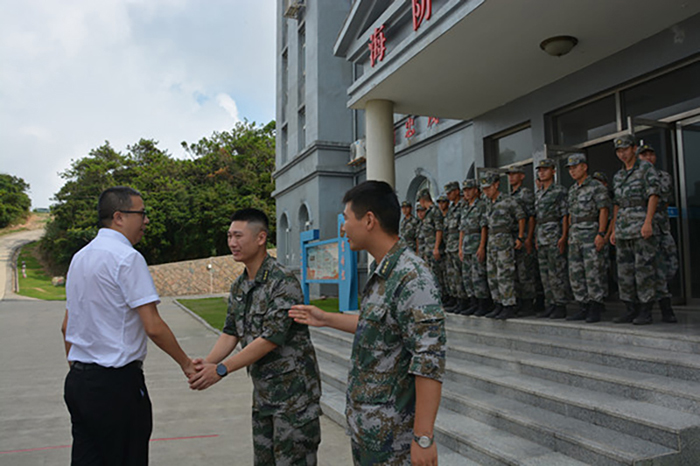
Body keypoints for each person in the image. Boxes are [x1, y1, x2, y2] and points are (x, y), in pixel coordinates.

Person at [289, 180, 446, 466]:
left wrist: (423, 437)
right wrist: (325, 319)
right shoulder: (383, 270)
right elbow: (378, 326)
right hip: (370, 432)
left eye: (347, 219)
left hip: (394, 439)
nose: (343, 228)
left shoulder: (412, 277)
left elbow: (429, 360)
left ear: (369, 220)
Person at [61, 186, 195, 466]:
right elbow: (153, 326)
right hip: (116, 385)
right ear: (119, 217)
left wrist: (82, 369)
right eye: (142, 214)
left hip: (80, 383)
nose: (146, 221)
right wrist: (186, 363)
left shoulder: (80, 258)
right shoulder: (127, 258)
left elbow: (66, 326)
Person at [188, 208, 322, 465]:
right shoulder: (240, 285)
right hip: (264, 396)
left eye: (238, 236)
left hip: (294, 398)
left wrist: (221, 369)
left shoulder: (283, 281)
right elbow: (231, 331)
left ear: (261, 238)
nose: (232, 243)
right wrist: (207, 364)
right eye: (229, 236)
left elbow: (271, 338)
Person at [609, 134, 661, 325]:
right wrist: (614, 229)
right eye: (619, 151)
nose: (622, 154)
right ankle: (630, 309)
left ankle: (646, 311)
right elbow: (616, 204)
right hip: (623, 228)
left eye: (625, 149)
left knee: (643, 270)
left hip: (640, 227)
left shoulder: (645, 168)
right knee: (624, 271)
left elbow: (653, 195)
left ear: (633, 149)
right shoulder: (619, 175)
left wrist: (648, 222)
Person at [566, 154, 611, 323]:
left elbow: (604, 211)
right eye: (570, 168)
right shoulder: (572, 190)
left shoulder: (596, 187)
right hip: (576, 235)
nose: (572, 171)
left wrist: (601, 233)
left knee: (593, 272)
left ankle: (595, 306)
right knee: (576, 273)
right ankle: (583, 305)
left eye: (575, 167)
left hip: (591, 233)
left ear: (584, 167)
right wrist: (570, 234)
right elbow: (571, 215)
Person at [636, 144, 678, 323]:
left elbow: (660, 197)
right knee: (646, 269)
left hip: (660, 227)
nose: (648, 157)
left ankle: (665, 305)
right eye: (644, 155)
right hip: (642, 229)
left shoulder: (663, 176)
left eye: (651, 154)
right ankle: (650, 308)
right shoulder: (633, 177)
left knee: (667, 267)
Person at [481, 173, 527, 320]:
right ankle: (498, 303)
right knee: (492, 274)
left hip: (504, 241)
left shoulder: (508, 200)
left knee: (505, 274)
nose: (486, 191)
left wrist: (520, 237)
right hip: (492, 241)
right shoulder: (488, 203)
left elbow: (521, 217)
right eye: (484, 189)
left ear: (496, 185)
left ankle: (509, 305)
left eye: (488, 188)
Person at [534, 159, 571, 319]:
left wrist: (563, 236)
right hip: (541, 237)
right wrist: (535, 236)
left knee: (557, 272)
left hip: (554, 235)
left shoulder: (559, 191)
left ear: (553, 171)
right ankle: (551, 304)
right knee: (545, 273)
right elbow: (537, 218)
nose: (541, 172)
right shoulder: (539, 194)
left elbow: (565, 215)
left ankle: (560, 304)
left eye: (545, 170)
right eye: (540, 170)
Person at [506, 166, 537, 315]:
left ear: (522, 176)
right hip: (512, 237)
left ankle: (529, 303)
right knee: (516, 271)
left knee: (525, 271)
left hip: (523, 236)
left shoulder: (525, 193)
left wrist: (528, 237)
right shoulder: (509, 195)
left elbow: (531, 216)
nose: (511, 177)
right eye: (510, 175)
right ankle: (519, 302)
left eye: (514, 174)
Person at [458, 178, 490, 316]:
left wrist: (482, 246)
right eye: (464, 190)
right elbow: (462, 230)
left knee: (478, 276)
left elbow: (484, 227)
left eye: (469, 189)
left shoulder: (481, 205)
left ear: (476, 190)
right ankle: (473, 303)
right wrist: (460, 248)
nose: (467, 193)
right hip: (466, 245)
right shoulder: (465, 208)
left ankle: (483, 304)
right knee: (467, 277)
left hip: (476, 243)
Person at [442, 181, 469, 313]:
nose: (448, 195)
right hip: (450, 245)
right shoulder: (452, 208)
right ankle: (457, 300)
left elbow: (462, 229)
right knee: (453, 276)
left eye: (450, 192)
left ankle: (465, 301)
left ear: (457, 191)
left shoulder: (463, 206)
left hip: (461, 244)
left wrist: (460, 246)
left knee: (461, 274)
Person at [418, 188, 446, 306]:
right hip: (428, 250)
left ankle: (442, 298)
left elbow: (439, 230)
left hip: (434, 249)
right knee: (430, 276)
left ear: (423, 200)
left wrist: (436, 248)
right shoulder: (428, 213)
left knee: (437, 275)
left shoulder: (435, 211)